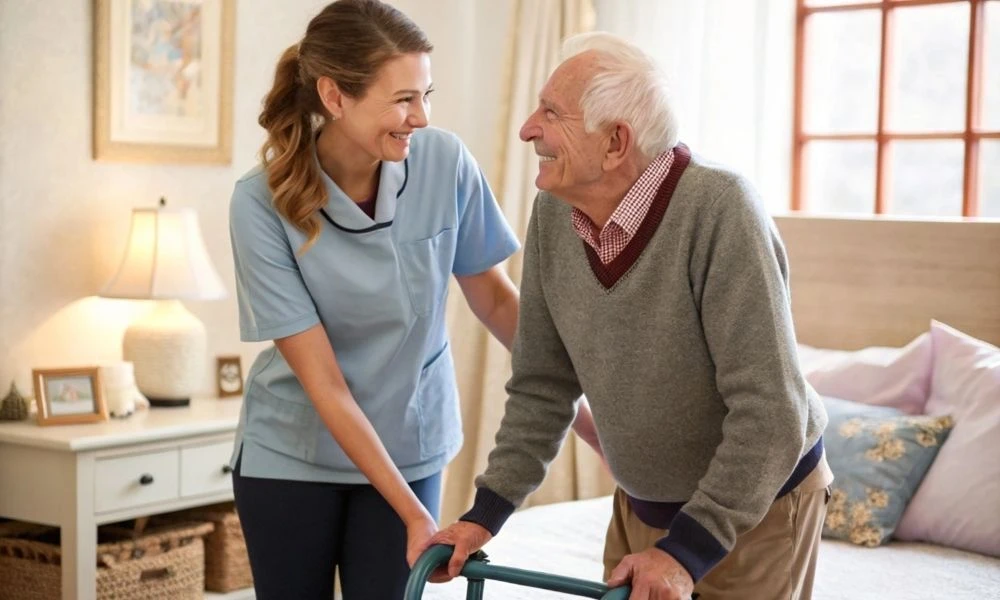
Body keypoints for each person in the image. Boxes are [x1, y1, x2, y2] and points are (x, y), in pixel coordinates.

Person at [422, 32, 833, 600]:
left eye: (551, 113)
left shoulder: (720, 210)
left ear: (616, 142)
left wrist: (686, 550)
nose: (528, 129)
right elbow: (543, 384)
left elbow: (772, 410)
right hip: (643, 503)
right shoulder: (554, 212)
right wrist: (484, 514)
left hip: (754, 507)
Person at [227, 1, 543, 598]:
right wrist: (414, 515)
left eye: (427, 94)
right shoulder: (260, 203)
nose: (420, 117)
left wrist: (585, 411)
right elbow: (326, 386)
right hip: (294, 458)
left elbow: (498, 303)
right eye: (402, 99)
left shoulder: (444, 163)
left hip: (412, 446)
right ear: (335, 96)